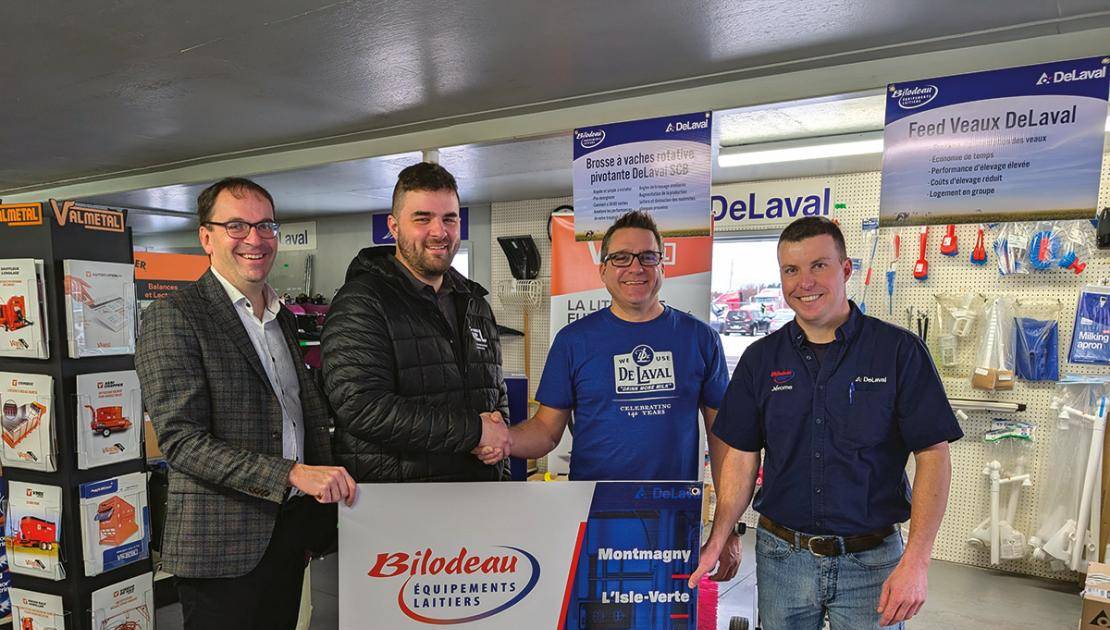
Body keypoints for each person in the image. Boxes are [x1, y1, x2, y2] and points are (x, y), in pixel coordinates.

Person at [689, 216, 962, 629]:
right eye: (791, 270)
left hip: (871, 562)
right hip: (783, 559)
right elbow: (742, 459)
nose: (805, 282)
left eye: (819, 265)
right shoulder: (760, 360)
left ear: (846, 268)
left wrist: (918, 562)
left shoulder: (899, 352)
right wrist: (719, 535)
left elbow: (933, 456)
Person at [135, 178, 356, 630]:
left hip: (289, 533)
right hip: (220, 546)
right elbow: (182, 442)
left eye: (265, 225)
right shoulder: (174, 316)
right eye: (236, 225)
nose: (255, 239)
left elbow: (298, 415)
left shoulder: (281, 319)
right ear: (206, 237)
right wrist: (291, 474)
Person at [484, 209, 741, 580]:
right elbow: (545, 431)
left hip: (672, 517)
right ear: (603, 269)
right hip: (594, 514)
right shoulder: (574, 342)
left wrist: (726, 526)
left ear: (662, 267)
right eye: (620, 257)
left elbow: (724, 441)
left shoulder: (700, 339)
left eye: (648, 257)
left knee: (664, 621)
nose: (635, 268)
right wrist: (503, 438)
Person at [321, 162, 511, 482]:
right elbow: (362, 406)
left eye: (449, 219)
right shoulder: (362, 302)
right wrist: (476, 431)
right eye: (423, 218)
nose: (439, 232)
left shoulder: (475, 303)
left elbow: (494, 390)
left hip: (477, 495)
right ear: (394, 227)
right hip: (397, 505)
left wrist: (496, 439)